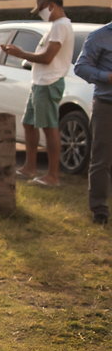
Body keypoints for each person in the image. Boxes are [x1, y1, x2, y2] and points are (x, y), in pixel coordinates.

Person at [0, 0, 75, 187]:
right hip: (40, 83)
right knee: (29, 123)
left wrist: (20, 53)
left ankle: (52, 176)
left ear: (51, 6)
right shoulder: (56, 26)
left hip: (49, 83)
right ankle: (30, 167)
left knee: (49, 128)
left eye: (41, 9)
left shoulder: (61, 26)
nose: (41, 14)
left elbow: (48, 57)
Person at [74, 18, 112, 224]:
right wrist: (106, 77)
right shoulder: (99, 36)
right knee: (102, 159)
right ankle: (100, 210)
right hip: (106, 105)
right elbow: (81, 67)